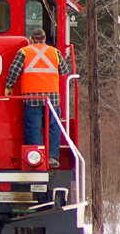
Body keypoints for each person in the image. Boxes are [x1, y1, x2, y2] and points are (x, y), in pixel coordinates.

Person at [4, 28, 71, 168]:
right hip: (51, 98)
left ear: (31, 39)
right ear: (45, 38)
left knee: (33, 128)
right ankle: (53, 157)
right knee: (53, 127)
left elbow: (14, 71)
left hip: (31, 97)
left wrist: (9, 86)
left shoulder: (24, 52)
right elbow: (64, 71)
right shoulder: (55, 52)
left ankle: (37, 157)